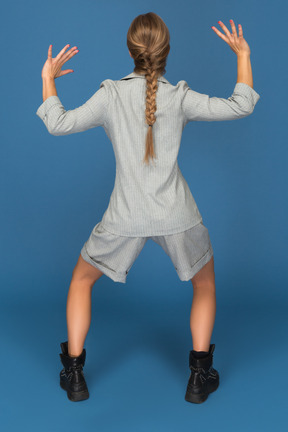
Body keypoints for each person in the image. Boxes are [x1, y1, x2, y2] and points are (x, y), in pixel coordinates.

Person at [36, 12, 260, 404]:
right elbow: (241, 105)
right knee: (204, 284)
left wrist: (48, 80)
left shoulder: (110, 94)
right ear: (166, 51)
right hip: (178, 216)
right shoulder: (181, 96)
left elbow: (58, 124)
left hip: (124, 218)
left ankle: (74, 375)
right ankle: (199, 378)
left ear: (131, 50)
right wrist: (243, 54)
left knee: (81, 280)